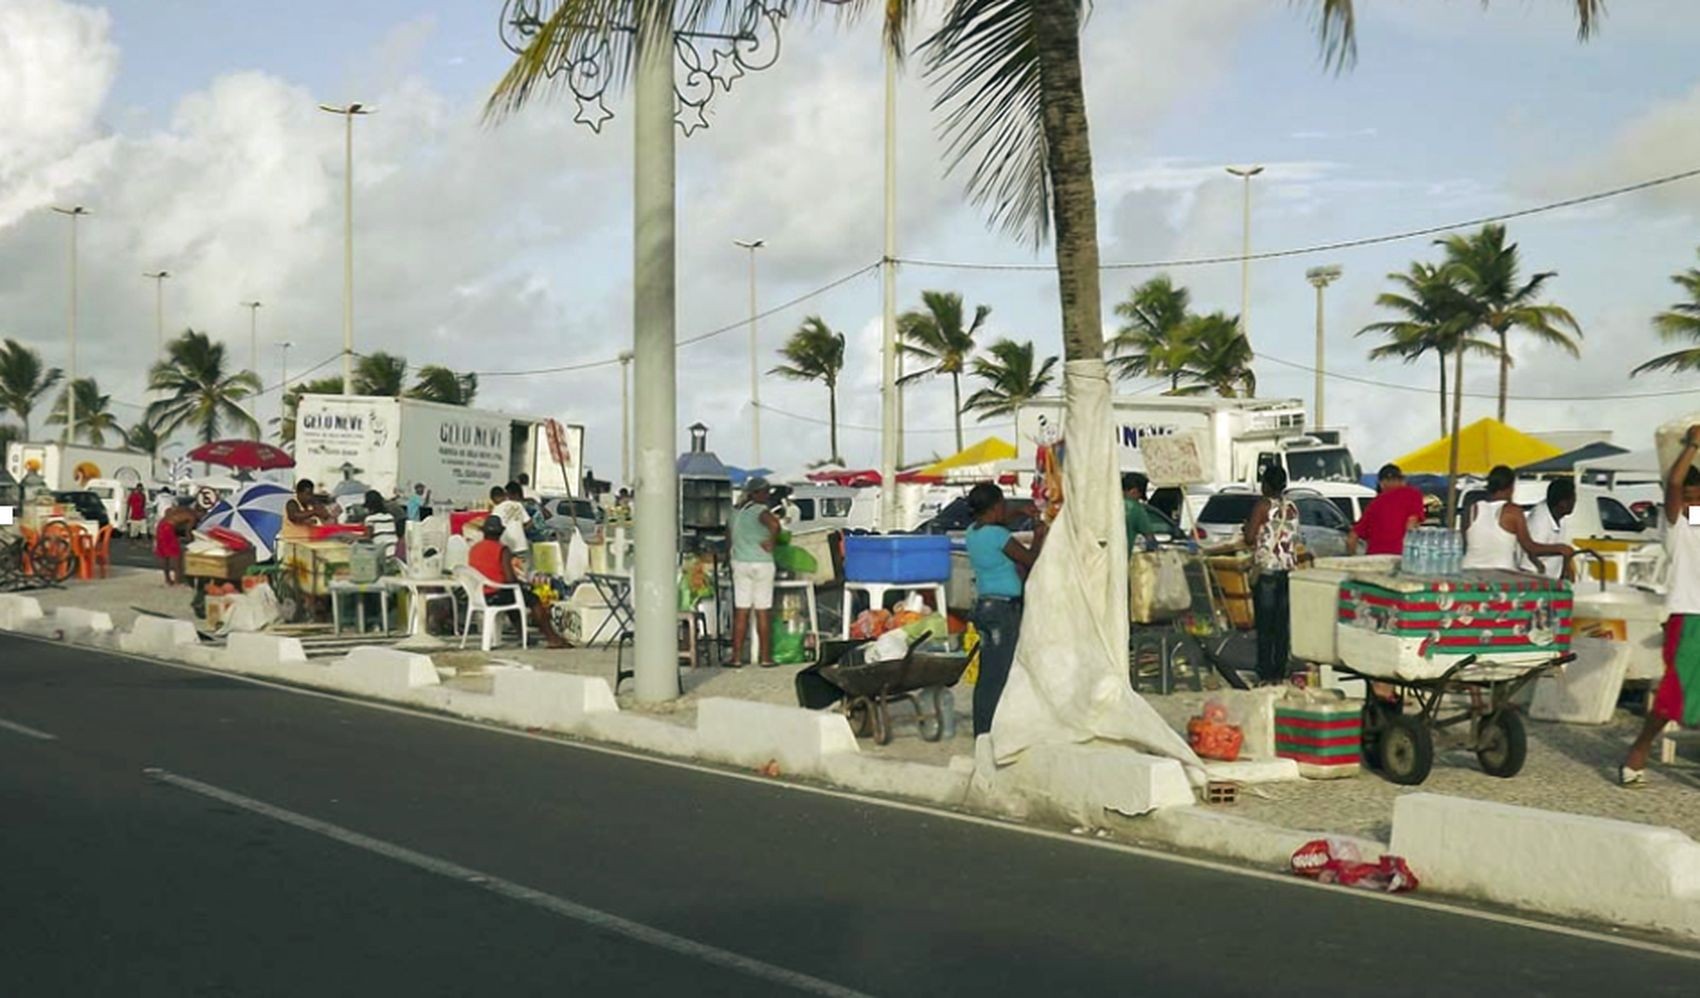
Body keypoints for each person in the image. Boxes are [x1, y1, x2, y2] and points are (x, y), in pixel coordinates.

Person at [1621, 426, 1700, 785]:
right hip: (1689, 614)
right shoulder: (1676, 527)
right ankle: (1640, 750)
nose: (1690, 499)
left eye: (1694, 494)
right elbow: (1672, 486)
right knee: (1673, 693)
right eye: (1687, 494)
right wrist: (1693, 446)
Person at [965, 482, 1043, 736]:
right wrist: (1040, 535)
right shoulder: (998, 536)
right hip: (1002, 610)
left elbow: (999, 520)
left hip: (984, 607)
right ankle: (988, 733)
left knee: (989, 673)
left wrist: (1020, 512)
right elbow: (1030, 559)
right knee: (998, 676)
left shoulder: (973, 532)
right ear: (995, 507)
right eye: (1003, 505)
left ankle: (983, 730)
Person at [467, 517, 567, 648]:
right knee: (533, 599)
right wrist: (525, 585)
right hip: (495, 593)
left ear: (484, 532)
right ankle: (552, 638)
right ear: (500, 533)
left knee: (514, 597)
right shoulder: (502, 550)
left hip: (479, 595)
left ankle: (524, 635)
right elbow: (510, 579)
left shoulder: (474, 549)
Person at [1461, 465, 1574, 573]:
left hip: (1469, 569)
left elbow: (1465, 544)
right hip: (1501, 573)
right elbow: (1530, 547)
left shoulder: (1471, 509)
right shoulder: (1513, 511)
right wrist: (1560, 548)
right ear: (1510, 487)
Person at [1244, 465, 1298, 684]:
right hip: (1287, 571)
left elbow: (1249, 537)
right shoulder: (1293, 507)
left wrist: (1248, 528)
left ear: (1266, 484)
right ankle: (1279, 669)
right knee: (1281, 625)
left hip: (1267, 570)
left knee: (1265, 625)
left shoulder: (1263, 506)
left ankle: (1265, 671)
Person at [729, 476, 781, 668]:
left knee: (741, 612)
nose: (767, 496)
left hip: (740, 563)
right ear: (756, 493)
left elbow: (729, 538)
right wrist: (772, 540)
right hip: (762, 564)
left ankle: (736, 658)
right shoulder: (760, 510)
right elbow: (775, 525)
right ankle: (765, 658)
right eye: (765, 492)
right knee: (762, 611)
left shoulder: (735, 512)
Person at [1349, 463, 1427, 556]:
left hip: (1374, 558)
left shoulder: (1374, 504)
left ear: (1382, 483)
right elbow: (1411, 523)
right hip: (1399, 556)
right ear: (1402, 480)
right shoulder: (1412, 494)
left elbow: (1352, 538)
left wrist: (1353, 558)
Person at [1519, 478, 1578, 579]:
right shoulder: (1539, 520)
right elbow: (1531, 550)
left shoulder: (1560, 516)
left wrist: (1567, 568)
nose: (1574, 502)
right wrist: (1560, 549)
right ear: (1562, 503)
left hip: (1551, 580)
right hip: (1533, 578)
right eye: (1572, 499)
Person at [153, 500, 195, 586]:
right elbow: (188, 534)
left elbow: (167, 512)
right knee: (176, 555)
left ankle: (167, 579)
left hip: (160, 526)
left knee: (164, 555)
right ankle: (177, 580)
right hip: (168, 528)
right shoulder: (192, 517)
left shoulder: (181, 509)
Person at [1122, 472, 1160, 553]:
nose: (1139, 500)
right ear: (1134, 491)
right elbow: (1150, 538)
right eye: (1139, 497)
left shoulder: (1107, 504)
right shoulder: (1136, 509)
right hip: (1122, 559)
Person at [489, 484, 530, 556]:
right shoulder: (518, 505)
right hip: (522, 545)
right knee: (521, 566)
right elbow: (529, 522)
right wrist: (520, 530)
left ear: (493, 498)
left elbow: (493, 526)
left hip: (507, 546)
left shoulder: (497, 508)